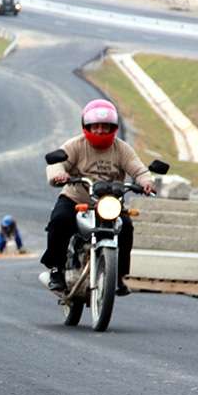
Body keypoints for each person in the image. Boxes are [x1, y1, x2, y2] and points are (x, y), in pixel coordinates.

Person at [42, 99, 154, 296]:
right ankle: (56, 270)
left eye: (105, 127)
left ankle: (118, 276)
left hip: (110, 204)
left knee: (126, 227)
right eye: (96, 126)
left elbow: (139, 169)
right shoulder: (75, 145)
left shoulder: (122, 149)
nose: (101, 131)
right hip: (76, 199)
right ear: (86, 127)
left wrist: (146, 182)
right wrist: (59, 175)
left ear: (114, 128)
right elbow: (56, 163)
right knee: (59, 220)